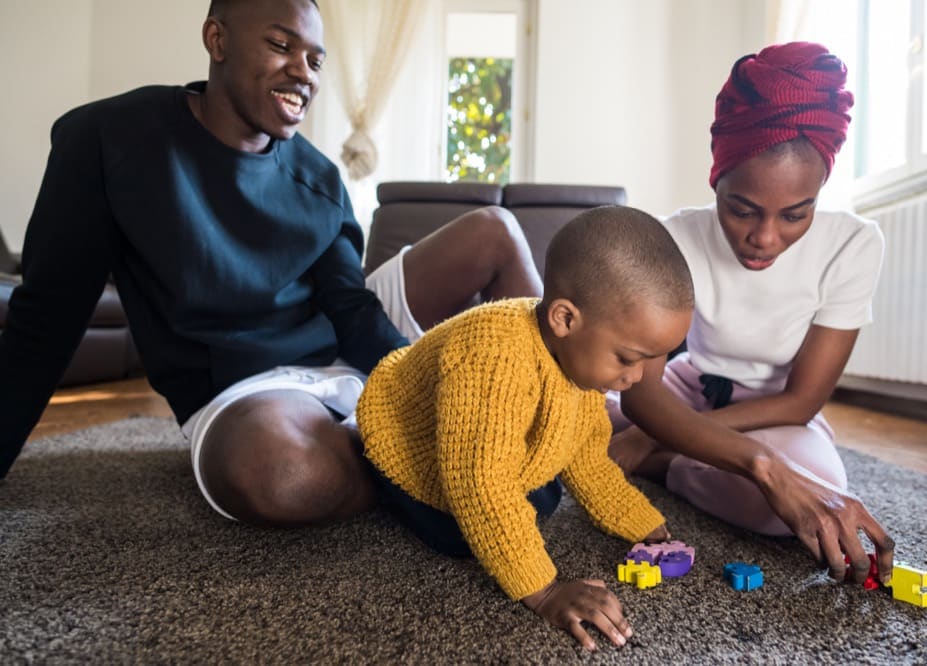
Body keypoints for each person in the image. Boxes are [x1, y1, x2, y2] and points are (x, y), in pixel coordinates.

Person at [0, 0, 543, 525]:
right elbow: (46, 319)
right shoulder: (108, 141)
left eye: (315, 59)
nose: (302, 73)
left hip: (344, 349)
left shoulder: (319, 178)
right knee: (283, 474)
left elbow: (351, 309)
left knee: (494, 230)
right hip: (246, 390)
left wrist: (416, 379)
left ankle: (562, 421)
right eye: (281, 45)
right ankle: (465, 460)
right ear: (217, 40)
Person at [609, 41, 896, 583]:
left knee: (795, 502)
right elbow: (642, 394)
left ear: (820, 191)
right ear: (716, 178)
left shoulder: (854, 245)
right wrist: (670, 426)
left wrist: (662, 436)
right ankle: (685, 454)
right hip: (683, 388)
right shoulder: (671, 238)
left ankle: (667, 465)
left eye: (795, 214)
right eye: (740, 209)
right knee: (564, 422)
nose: (764, 239)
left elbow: (802, 399)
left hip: (776, 412)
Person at [355, 206, 693, 651]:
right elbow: (480, 483)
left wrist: (643, 525)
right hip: (405, 438)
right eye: (629, 358)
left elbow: (587, 458)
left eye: (656, 358)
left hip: (484, 440)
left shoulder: (583, 366)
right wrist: (545, 590)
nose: (638, 376)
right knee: (464, 535)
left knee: (543, 495)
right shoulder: (494, 356)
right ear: (565, 319)